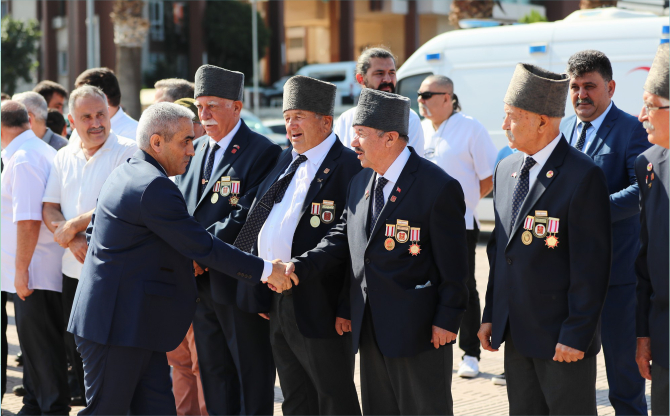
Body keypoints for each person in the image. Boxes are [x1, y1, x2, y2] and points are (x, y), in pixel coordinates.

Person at [66, 102, 296, 415]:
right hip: (116, 327)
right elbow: (203, 246)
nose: (192, 149)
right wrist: (268, 270)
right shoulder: (153, 186)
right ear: (157, 142)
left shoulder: (129, 171)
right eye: (185, 141)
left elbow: (102, 234)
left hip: (135, 324)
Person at [287, 88, 469, 415]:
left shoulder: (437, 187)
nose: (353, 142)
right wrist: (298, 268)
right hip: (370, 328)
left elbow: (456, 267)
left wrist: (448, 319)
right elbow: (345, 243)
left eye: (360, 134)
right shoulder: (361, 182)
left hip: (419, 330)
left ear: (390, 138)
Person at [478, 64, 611, 415]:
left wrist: (576, 333)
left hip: (560, 338)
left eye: (511, 116)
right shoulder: (506, 169)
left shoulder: (582, 175)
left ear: (541, 121)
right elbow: (500, 251)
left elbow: (591, 267)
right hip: (516, 334)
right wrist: (492, 313)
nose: (504, 125)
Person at [234, 75, 362, 415]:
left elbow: (351, 242)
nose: (290, 125)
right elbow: (259, 216)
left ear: (325, 122)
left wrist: (346, 307)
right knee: (295, 396)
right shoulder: (284, 159)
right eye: (287, 117)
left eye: (299, 117)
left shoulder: (349, 166)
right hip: (277, 297)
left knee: (333, 397)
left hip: (322, 303)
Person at [174, 65, 282, 416]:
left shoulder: (263, 151)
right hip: (198, 287)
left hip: (237, 284)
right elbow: (181, 210)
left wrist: (198, 253)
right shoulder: (194, 149)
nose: (203, 114)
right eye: (199, 106)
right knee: (213, 374)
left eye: (212, 106)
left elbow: (248, 216)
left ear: (236, 106)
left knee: (250, 375)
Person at [559, 49, 651, 415]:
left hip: (617, 276)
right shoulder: (564, 129)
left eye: (590, 86)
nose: (581, 95)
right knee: (571, 377)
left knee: (624, 380)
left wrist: (588, 214)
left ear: (610, 88)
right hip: (571, 278)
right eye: (575, 87)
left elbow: (642, 190)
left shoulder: (632, 129)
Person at [41, 85, 137, 408]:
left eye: (101, 114)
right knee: (79, 354)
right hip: (72, 272)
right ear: (71, 121)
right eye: (87, 117)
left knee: (113, 359)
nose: (96, 123)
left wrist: (75, 225)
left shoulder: (128, 151)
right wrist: (71, 237)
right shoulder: (63, 155)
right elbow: (49, 207)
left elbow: (123, 203)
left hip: (114, 275)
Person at [418, 74, 497, 379]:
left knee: (463, 286)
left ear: (447, 97)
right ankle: (433, 346)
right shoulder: (420, 129)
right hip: (423, 227)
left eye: (427, 95)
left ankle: (471, 353)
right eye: (419, 95)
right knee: (426, 284)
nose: (421, 100)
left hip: (460, 225)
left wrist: (467, 204)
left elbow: (488, 176)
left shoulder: (470, 128)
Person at [1, 101, 69, 415]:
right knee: (34, 351)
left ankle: (50, 410)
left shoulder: (25, 158)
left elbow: (29, 220)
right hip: (34, 269)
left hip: (35, 271)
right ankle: (33, 406)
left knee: (43, 352)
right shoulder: (29, 152)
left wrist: (20, 271)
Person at [167, 96, 208, 416]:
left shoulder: (205, 161)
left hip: (200, 281)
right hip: (173, 281)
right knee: (179, 364)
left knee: (201, 365)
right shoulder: (164, 168)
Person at [635, 42, 669, 416]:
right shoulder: (648, 164)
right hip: (665, 341)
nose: (641, 115)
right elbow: (644, 261)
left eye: (651, 105)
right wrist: (643, 335)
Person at [334, 47, 424, 155]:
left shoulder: (409, 119)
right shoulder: (345, 120)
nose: (387, 79)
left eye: (391, 73)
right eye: (379, 73)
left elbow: (411, 163)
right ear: (361, 79)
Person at [74, 67, 138, 139]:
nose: (77, 103)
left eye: (83, 98)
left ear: (102, 98)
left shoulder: (133, 134)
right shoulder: (80, 128)